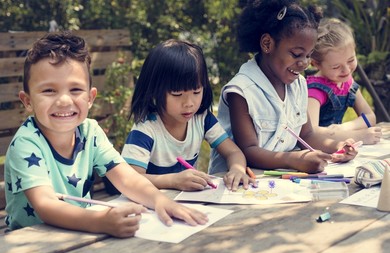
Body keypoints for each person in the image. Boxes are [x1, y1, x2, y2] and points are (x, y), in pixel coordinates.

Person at [4, 32, 208, 238]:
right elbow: (46, 204)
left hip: (78, 232)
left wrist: (159, 200)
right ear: (28, 101)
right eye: (49, 91)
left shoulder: (90, 131)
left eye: (75, 89)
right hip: (34, 240)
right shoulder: (27, 143)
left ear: (90, 97)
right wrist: (100, 222)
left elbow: (127, 178)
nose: (64, 100)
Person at [209, 0, 358, 175]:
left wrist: (337, 148)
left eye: (309, 55)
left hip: (279, 182)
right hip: (238, 186)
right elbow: (248, 151)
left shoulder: (299, 84)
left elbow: (307, 134)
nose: (303, 63)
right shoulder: (241, 91)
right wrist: (293, 160)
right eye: (296, 54)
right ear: (267, 44)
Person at [121, 39, 255, 192]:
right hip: (152, 206)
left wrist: (237, 170)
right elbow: (130, 178)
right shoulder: (146, 129)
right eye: (177, 94)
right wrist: (173, 180)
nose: (189, 103)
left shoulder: (202, 119)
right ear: (154, 92)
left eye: (196, 92)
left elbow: (233, 152)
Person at [307, 18, 382, 144]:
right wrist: (359, 136)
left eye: (351, 60)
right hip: (318, 149)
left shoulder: (348, 83)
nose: (346, 70)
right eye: (336, 67)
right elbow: (311, 133)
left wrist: (344, 128)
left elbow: (370, 117)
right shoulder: (315, 91)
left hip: (339, 144)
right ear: (316, 64)